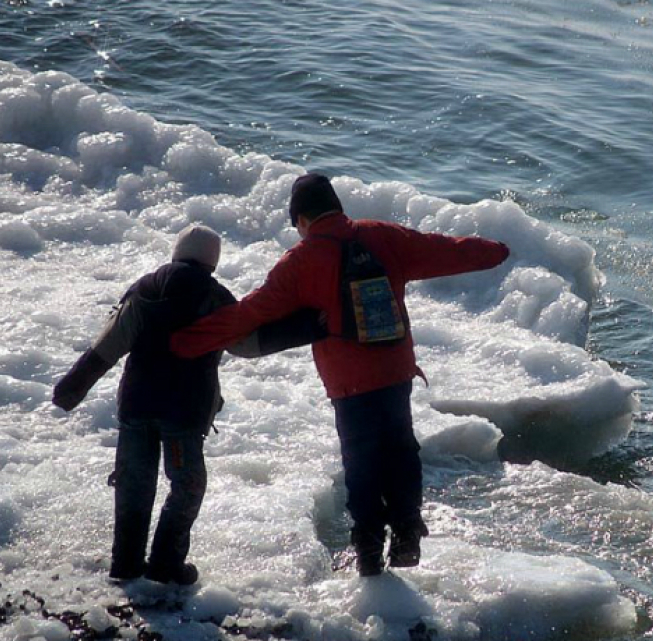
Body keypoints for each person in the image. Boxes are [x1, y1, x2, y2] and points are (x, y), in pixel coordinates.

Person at [170, 173, 510, 576]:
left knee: (361, 460)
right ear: (336, 205)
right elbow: (445, 250)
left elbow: (250, 313)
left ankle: (367, 551)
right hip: (395, 369)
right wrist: (496, 250)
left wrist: (185, 341)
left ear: (301, 219)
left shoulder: (300, 261)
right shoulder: (383, 236)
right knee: (401, 449)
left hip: (349, 383)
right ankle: (406, 534)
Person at [53, 225, 324, 585]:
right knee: (187, 486)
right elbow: (248, 344)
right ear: (213, 262)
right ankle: (166, 563)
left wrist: (71, 390)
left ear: (176, 252)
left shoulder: (144, 290)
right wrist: (310, 326)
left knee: (134, 484)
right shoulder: (215, 297)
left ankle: (125, 566)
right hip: (182, 414)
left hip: (137, 407)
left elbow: (106, 347)